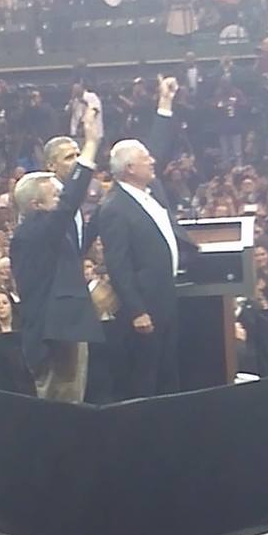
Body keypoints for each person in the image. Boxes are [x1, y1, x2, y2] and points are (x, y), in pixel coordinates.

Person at [99, 77, 198, 399]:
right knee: (147, 375)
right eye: (145, 159)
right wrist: (137, 309)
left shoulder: (149, 188)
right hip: (144, 305)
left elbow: (158, 145)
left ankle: (172, 432)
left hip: (166, 295)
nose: (153, 161)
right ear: (129, 168)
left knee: (170, 369)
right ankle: (146, 436)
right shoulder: (114, 208)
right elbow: (118, 265)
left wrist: (165, 103)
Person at [10, 106, 103, 402]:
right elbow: (67, 208)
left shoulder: (43, 232)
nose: (62, 199)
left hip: (62, 331)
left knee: (71, 404)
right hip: (53, 337)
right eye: (55, 196)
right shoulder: (34, 231)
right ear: (37, 205)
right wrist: (91, 145)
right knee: (61, 411)